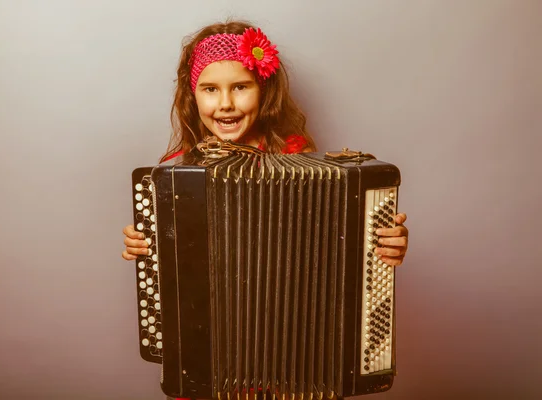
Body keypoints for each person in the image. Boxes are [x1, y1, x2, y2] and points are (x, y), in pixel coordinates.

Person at [121, 19, 409, 400]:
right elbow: (166, 257)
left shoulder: (298, 161)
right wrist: (145, 249)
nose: (225, 103)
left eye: (240, 87)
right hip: (208, 359)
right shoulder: (174, 173)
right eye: (210, 89)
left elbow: (340, 253)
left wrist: (383, 243)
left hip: (292, 363)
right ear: (193, 97)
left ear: (264, 90)